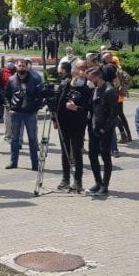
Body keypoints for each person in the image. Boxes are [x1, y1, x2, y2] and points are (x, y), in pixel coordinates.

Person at [55, 61, 91, 193]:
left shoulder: (87, 88)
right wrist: (55, 119)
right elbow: (58, 101)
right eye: (78, 68)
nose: (80, 71)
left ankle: (78, 180)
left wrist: (76, 108)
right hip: (63, 123)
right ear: (74, 70)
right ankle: (65, 178)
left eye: (84, 69)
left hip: (78, 124)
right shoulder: (65, 84)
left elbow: (88, 109)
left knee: (76, 152)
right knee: (64, 151)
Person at [4, 58, 43, 172]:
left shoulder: (35, 79)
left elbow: (39, 96)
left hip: (30, 113)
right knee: (14, 139)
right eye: (19, 66)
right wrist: (9, 108)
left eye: (23, 66)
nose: (21, 68)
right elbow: (6, 96)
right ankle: (13, 161)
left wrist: (36, 108)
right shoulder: (11, 80)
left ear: (27, 67)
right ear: (16, 67)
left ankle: (35, 164)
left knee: (32, 139)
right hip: (16, 113)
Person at [87, 65, 117, 198]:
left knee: (105, 157)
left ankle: (105, 184)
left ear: (98, 77)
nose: (89, 81)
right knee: (92, 155)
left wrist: (106, 127)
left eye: (91, 79)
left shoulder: (109, 91)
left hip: (105, 130)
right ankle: (98, 182)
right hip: (94, 128)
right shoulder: (95, 90)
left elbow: (114, 112)